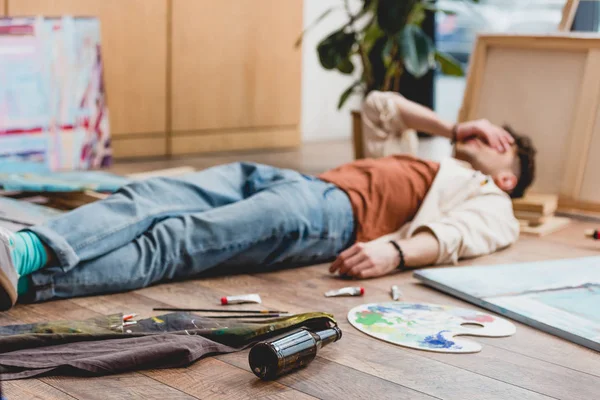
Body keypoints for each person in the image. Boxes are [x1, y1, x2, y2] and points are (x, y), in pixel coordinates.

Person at [0, 91, 536, 310]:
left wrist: (394, 254)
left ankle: (27, 281)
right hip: (285, 180)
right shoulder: (427, 157)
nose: (492, 142)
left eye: (503, 146)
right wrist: (459, 125)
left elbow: (456, 238)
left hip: (328, 217)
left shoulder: (495, 205)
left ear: (509, 178)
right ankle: (22, 250)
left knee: (175, 242)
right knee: (148, 194)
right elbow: (379, 106)